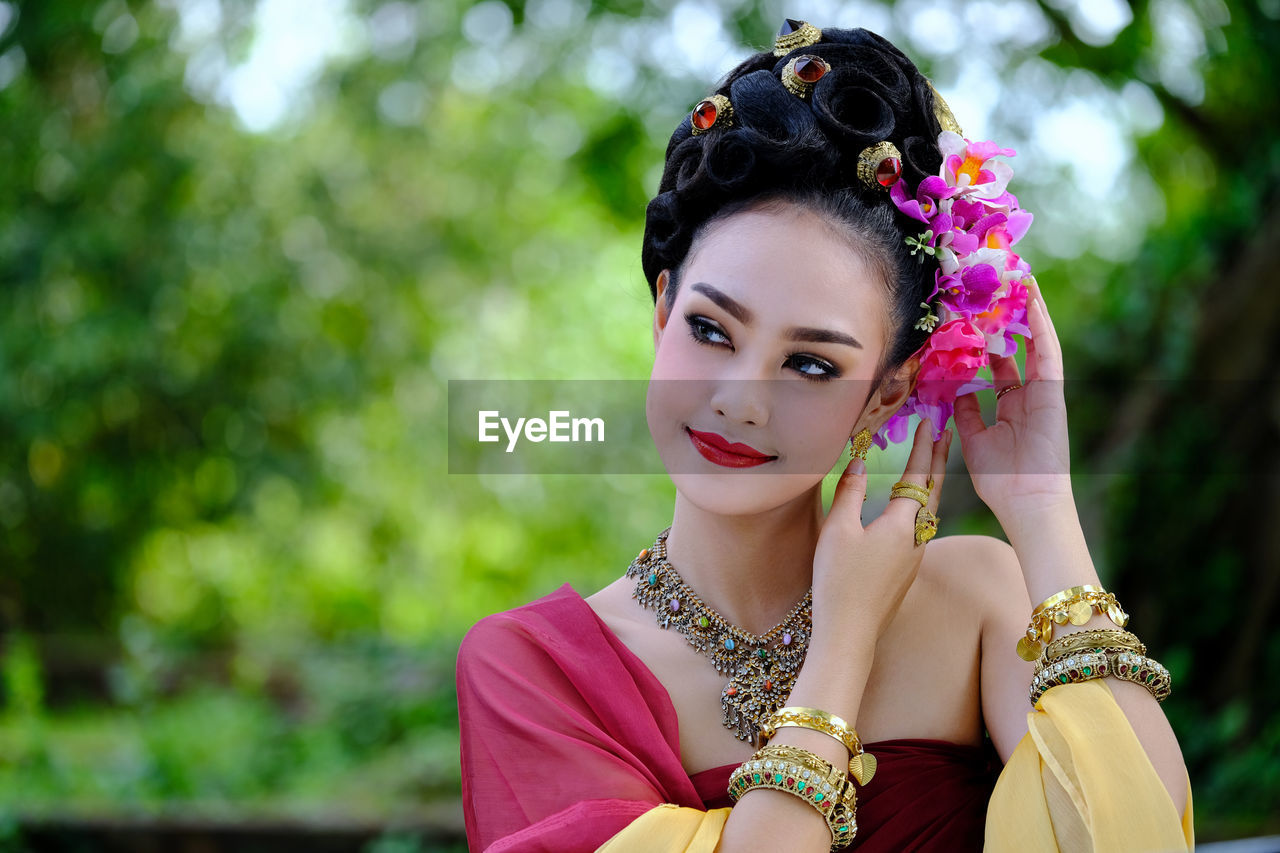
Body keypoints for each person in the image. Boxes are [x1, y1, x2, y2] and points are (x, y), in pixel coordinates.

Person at [456, 20, 1193, 853]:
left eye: (809, 365)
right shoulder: (537, 669)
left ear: (886, 391)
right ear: (662, 312)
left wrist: (1042, 508)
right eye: (710, 329)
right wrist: (843, 643)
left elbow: (1134, 835)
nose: (741, 400)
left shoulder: (980, 599)